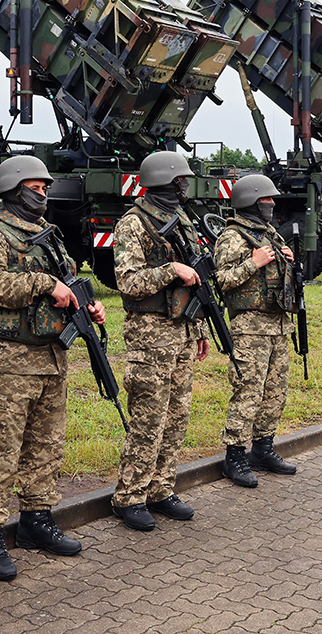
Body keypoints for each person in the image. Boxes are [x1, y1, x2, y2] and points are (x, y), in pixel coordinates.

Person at [0, 155, 105, 581]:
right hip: (9, 363)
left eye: (45, 189)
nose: (42, 195)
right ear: (12, 189)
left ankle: (36, 519)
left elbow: (69, 279)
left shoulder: (49, 234)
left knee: (46, 446)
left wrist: (89, 304)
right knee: (0, 450)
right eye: (35, 188)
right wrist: (46, 284)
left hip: (51, 358)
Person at [111, 151, 208, 531]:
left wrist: (199, 331)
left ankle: (161, 489)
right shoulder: (133, 224)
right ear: (164, 181)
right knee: (148, 419)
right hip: (151, 338)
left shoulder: (180, 219)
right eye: (180, 180)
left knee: (177, 417)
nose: (185, 186)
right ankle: (129, 496)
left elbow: (195, 282)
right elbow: (128, 282)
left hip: (182, 333)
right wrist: (170, 270)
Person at [213, 174, 298, 488]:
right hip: (250, 329)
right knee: (248, 392)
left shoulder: (269, 233)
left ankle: (263, 449)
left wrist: (287, 261)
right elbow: (221, 280)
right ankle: (234, 457)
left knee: (275, 392)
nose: (272, 204)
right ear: (251, 201)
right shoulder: (232, 236)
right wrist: (254, 262)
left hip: (277, 325)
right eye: (267, 199)